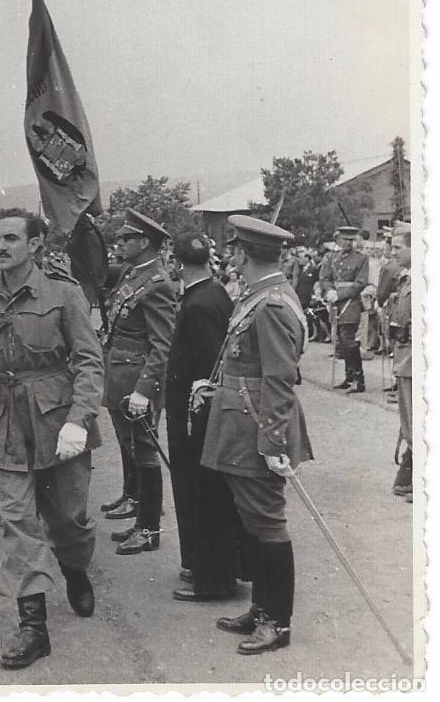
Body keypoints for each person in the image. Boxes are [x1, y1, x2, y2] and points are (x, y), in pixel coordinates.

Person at [0, 208, 104, 669]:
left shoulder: (64, 294)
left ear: (35, 245)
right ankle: (33, 626)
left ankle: (74, 568)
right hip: (3, 420)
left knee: (68, 518)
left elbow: (89, 361)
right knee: (16, 522)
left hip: (57, 420)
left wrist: (79, 418)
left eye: (11, 239)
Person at [201, 214, 313, 655]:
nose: (230, 256)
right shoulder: (259, 295)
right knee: (252, 520)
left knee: (267, 523)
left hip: (256, 427)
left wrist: (272, 443)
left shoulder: (271, 305)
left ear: (244, 253)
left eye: (233, 249)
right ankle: (262, 607)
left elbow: (279, 379)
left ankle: (277, 623)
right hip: (240, 422)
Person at [164, 228, 251, 602]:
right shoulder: (212, 293)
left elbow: (210, 366)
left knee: (199, 493)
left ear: (177, 264)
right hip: (200, 414)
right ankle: (208, 567)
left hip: (195, 416)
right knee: (207, 493)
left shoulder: (198, 304)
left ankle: (211, 578)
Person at [100, 209, 176, 555]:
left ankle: (148, 529)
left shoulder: (158, 284)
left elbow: (162, 344)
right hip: (120, 373)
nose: (120, 244)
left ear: (144, 242)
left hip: (137, 379)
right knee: (128, 444)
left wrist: (145, 390)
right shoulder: (133, 274)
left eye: (126, 238)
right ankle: (135, 505)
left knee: (144, 451)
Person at [320, 225, 369, 393]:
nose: (348, 243)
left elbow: (360, 283)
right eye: (345, 239)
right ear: (338, 239)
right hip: (335, 303)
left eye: (351, 240)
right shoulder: (331, 257)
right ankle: (349, 377)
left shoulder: (361, 259)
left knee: (348, 340)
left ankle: (359, 380)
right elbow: (325, 277)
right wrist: (329, 291)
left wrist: (339, 294)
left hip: (351, 303)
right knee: (341, 340)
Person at [389, 223, 413, 500]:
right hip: (404, 360)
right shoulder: (406, 279)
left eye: (398, 248)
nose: (393, 252)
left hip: (415, 362)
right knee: (409, 424)